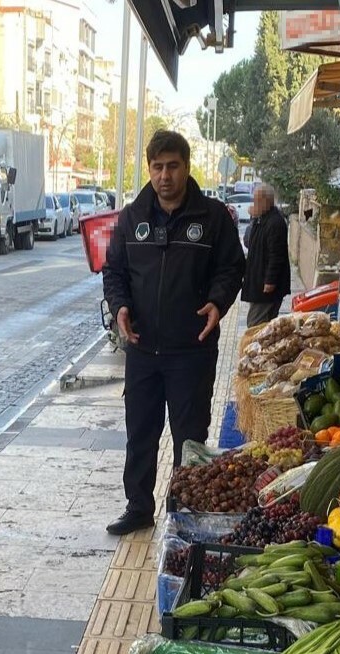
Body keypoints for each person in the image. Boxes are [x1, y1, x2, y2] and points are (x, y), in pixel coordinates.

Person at [101, 130, 245, 535]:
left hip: (192, 351)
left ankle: (185, 509)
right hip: (143, 350)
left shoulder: (212, 217)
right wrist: (120, 307)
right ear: (149, 169)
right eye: (158, 167)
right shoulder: (132, 217)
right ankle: (138, 507)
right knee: (140, 435)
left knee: (190, 438)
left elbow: (232, 267)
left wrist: (218, 301)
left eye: (173, 166)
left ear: (186, 166)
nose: (165, 175)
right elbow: (114, 272)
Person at [241, 183, 291, 327]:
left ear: (266, 201)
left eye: (257, 200)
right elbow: (249, 242)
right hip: (258, 282)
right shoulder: (261, 218)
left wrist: (270, 281)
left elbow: (276, 255)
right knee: (262, 325)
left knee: (256, 324)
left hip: (265, 286)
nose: (254, 203)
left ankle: (254, 350)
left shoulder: (275, 222)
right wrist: (253, 219)